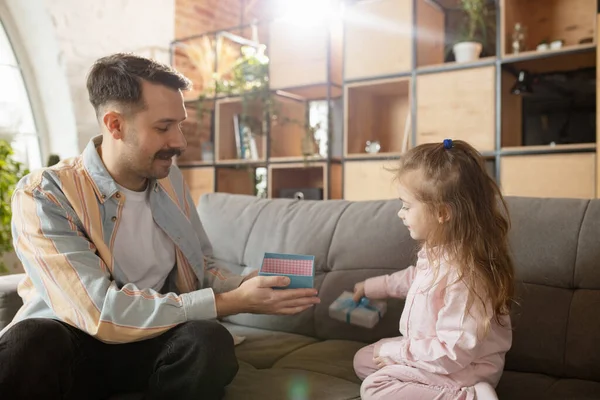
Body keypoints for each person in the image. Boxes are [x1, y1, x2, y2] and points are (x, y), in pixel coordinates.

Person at [0, 53, 320, 400]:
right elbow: (98, 312)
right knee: (26, 342)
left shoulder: (168, 178)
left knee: (208, 341)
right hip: (72, 344)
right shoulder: (46, 193)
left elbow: (200, 266)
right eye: (164, 127)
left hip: (149, 343)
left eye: (179, 124)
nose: (180, 141)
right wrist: (229, 302)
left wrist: (253, 281)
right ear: (115, 125)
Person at [352, 139, 515, 400]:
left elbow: (453, 354)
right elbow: (415, 278)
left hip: (461, 369)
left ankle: (472, 396)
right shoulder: (440, 250)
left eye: (406, 206)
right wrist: (372, 287)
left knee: (374, 387)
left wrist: (396, 352)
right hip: (433, 357)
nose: (400, 214)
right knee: (364, 360)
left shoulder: (465, 276)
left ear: (442, 213)